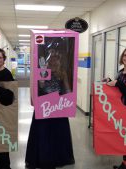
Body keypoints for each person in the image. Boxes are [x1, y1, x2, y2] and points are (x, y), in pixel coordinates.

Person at [25, 39, 75, 169]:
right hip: (44, 105)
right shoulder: (43, 71)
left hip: (58, 106)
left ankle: (55, 157)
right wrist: (42, 74)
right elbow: (41, 86)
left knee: (57, 133)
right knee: (42, 133)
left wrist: (69, 100)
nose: (53, 61)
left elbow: (68, 89)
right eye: (51, 59)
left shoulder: (62, 72)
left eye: (55, 59)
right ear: (48, 60)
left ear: (58, 61)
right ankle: (43, 158)